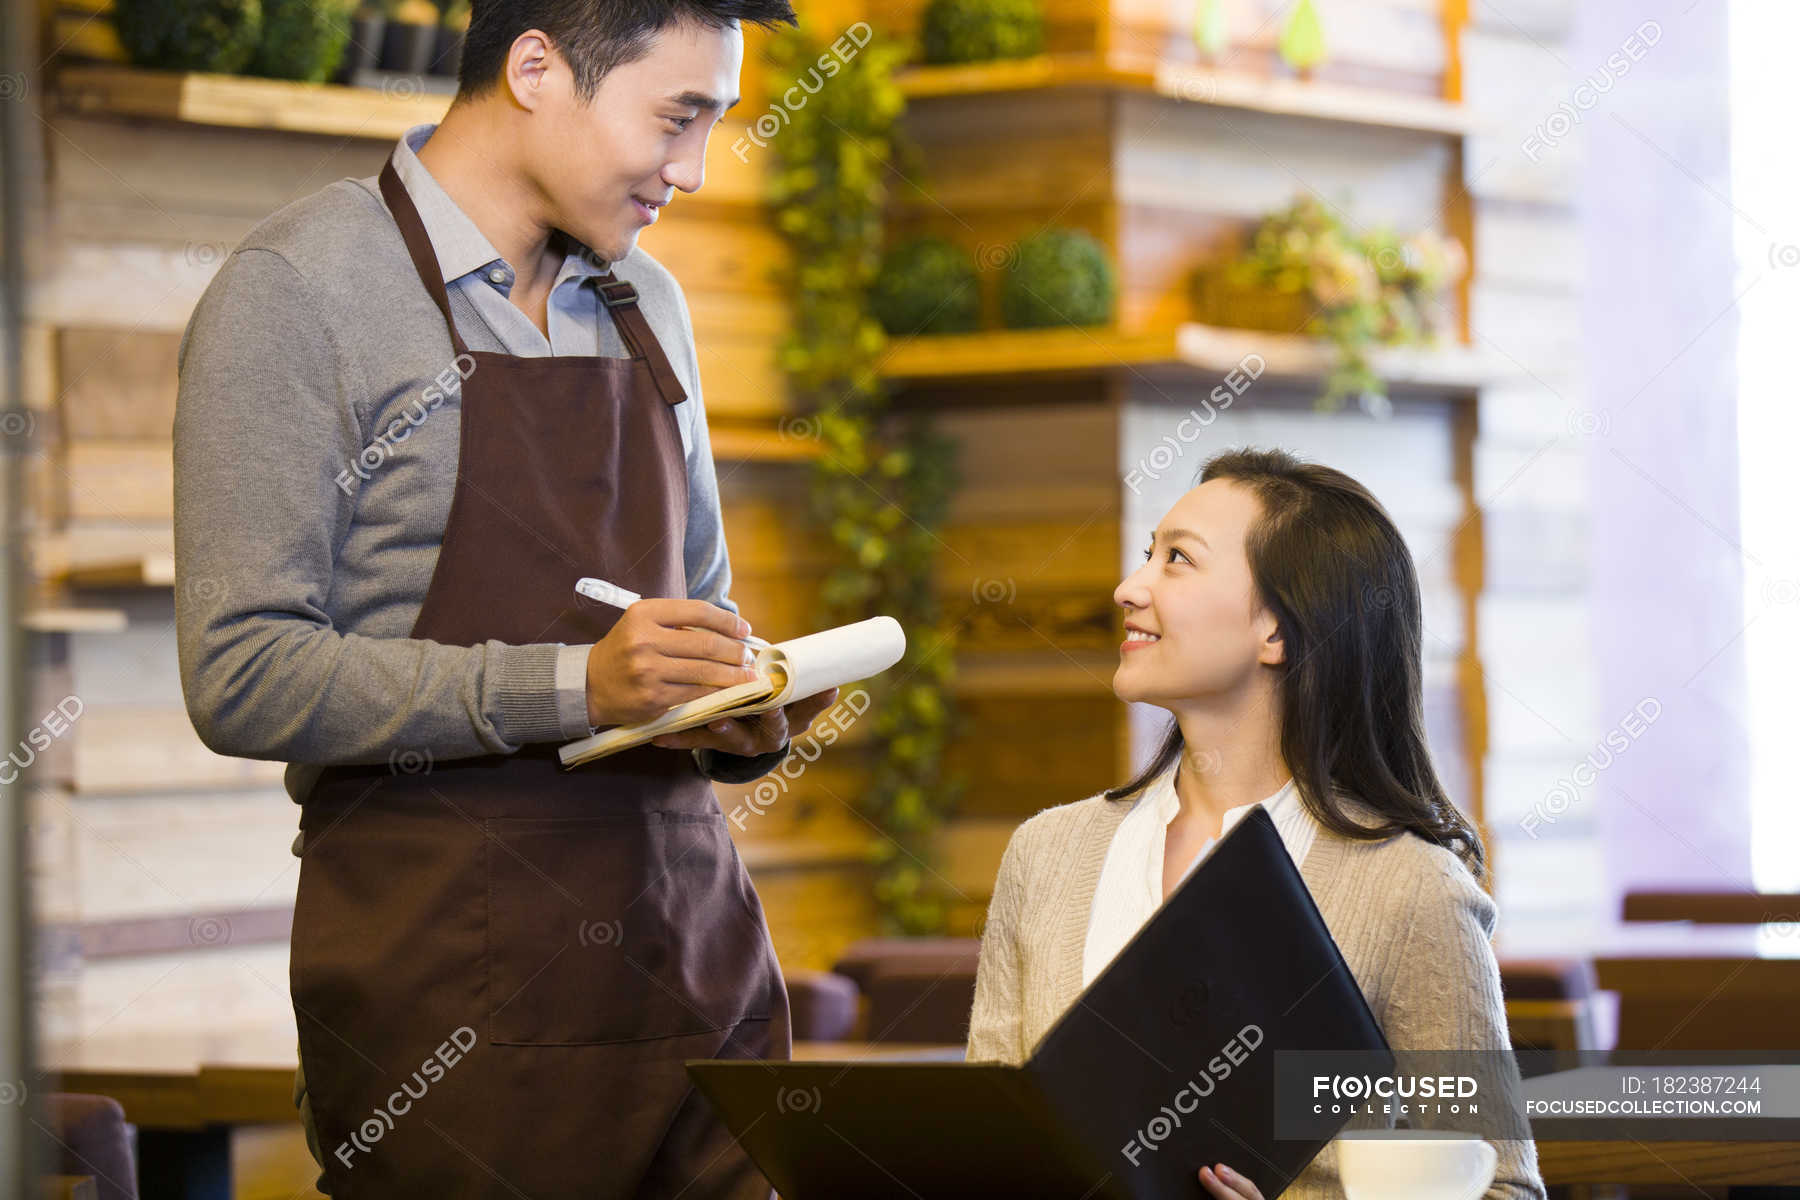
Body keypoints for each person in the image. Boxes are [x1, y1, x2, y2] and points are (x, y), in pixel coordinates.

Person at [171, 2, 834, 1196]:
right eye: (678, 119)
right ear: (536, 69)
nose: (689, 170)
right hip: (454, 1006)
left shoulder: (652, 307)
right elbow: (243, 671)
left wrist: (734, 698)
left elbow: (702, 604)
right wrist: (576, 684)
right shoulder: (299, 292)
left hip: (696, 970)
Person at [965, 447, 1547, 1200]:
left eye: (1177, 560)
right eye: (1149, 554)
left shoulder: (1409, 891)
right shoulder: (1045, 855)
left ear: (1277, 629)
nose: (1127, 587)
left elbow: (1503, 1188)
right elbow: (989, 1153)